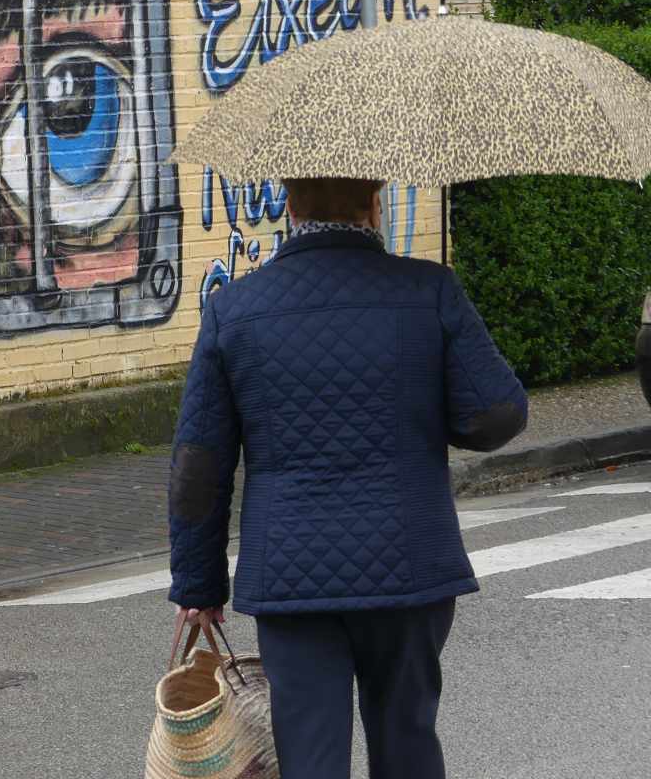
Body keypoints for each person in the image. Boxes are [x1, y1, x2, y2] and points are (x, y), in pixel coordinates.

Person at [166, 177, 528, 779]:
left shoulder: (233, 309)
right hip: (410, 565)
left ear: (289, 204)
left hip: (292, 576)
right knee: (408, 740)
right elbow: (498, 415)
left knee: (309, 757)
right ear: (374, 205)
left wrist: (198, 584)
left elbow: (199, 462)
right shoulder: (429, 290)